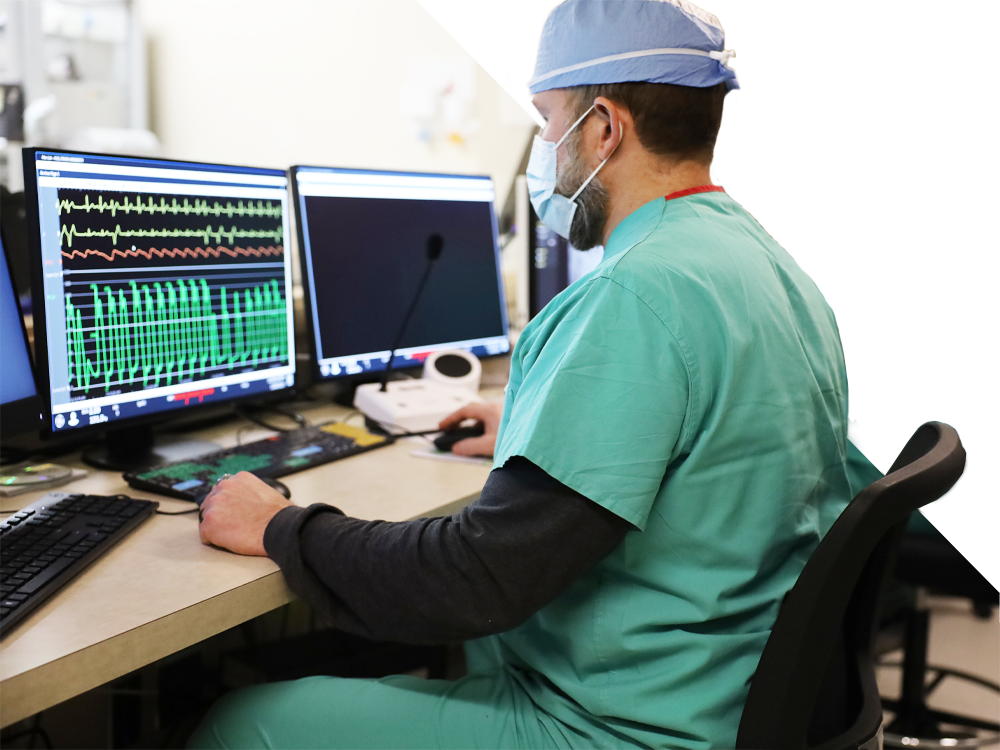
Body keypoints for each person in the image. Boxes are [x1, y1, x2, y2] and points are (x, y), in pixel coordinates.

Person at [189, 1, 851, 748]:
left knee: (244, 726)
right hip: (730, 690)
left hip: (619, 724)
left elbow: (477, 579)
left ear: (603, 128)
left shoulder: (633, 294)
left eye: (544, 120)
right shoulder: (770, 266)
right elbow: (719, 438)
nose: (541, 145)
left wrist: (281, 527)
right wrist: (550, 426)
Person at [798, 59, 994, 536]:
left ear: (842, 122)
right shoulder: (951, 220)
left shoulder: (850, 225)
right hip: (952, 474)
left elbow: (787, 366)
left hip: (884, 491)